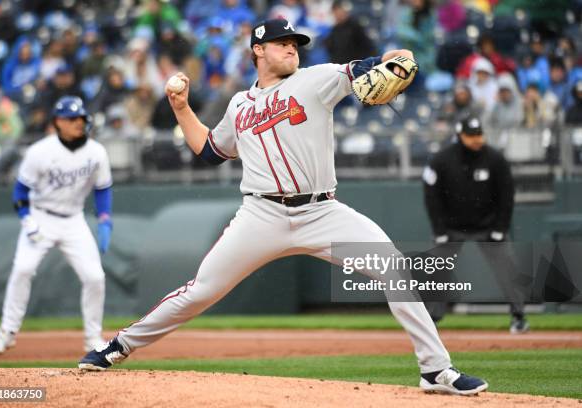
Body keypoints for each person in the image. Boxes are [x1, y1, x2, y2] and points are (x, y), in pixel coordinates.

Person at [79, 18, 488, 396]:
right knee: (200, 291)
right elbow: (209, 151)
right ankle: (117, 346)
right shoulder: (239, 105)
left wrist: (400, 59)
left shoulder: (318, 79)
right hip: (261, 216)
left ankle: (435, 370)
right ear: (258, 49)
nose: (291, 48)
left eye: (295, 42)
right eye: (281, 42)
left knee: (392, 266)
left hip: (322, 212)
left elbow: (374, 65)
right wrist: (182, 108)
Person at [0, 96, 113, 354]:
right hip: (41, 216)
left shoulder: (97, 152)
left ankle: (93, 339)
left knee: (95, 277)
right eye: (71, 118)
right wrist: (27, 219)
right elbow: (20, 192)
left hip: (74, 220)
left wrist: (104, 219)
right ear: (57, 122)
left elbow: (103, 189)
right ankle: (6, 332)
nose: (78, 123)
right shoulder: (40, 151)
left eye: (81, 118)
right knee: (22, 269)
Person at [422, 116, 529, 334]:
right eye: (471, 136)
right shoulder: (441, 160)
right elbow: (432, 196)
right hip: (452, 227)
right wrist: (439, 230)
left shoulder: (495, 159)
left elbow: (506, 195)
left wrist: (501, 228)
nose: (476, 139)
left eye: (479, 134)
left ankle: (519, 317)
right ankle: (431, 321)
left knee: (508, 270)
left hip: (488, 226)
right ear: (460, 136)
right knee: (438, 273)